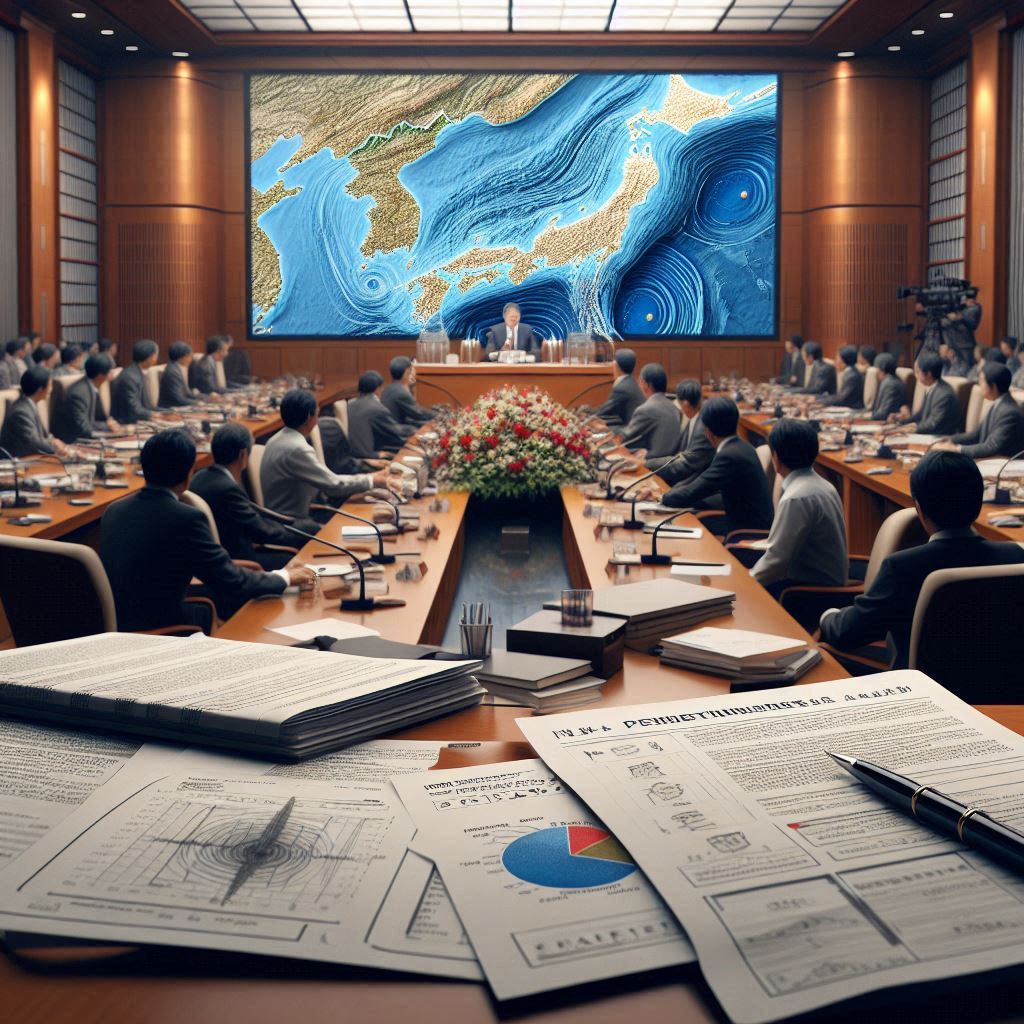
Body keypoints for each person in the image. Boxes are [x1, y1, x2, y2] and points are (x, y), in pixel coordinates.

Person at [820, 451, 1024, 668]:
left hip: (924, 692)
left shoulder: (903, 568)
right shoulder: (1014, 557)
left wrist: (827, 617)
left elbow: (850, 632)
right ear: (979, 503)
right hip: (1005, 695)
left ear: (919, 509)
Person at [100, 429, 315, 633]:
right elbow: (232, 582)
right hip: (159, 627)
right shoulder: (185, 518)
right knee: (252, 607)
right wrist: (284, 577)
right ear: (188, 474)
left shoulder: (113, 510)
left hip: (117, 621)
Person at [750, 419, 847, 597]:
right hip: (829, 582)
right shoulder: (824, 484)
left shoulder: (796, 497)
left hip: (811, 592)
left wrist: (744, 582)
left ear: (776, 457)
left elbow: (776, 562)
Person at [261, 388, 389, 521]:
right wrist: (372, 480)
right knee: (360, 520)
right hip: (292, 524)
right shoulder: (297, 448)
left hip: (283, 516)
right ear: (310, 418)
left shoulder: (275, 439)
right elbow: (333, 486)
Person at [191, 423, 305, 571]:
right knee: (297, 561)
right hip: (236, 563)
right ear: (243, 454)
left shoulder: (200, 476)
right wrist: (298, 535)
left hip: (211, 560)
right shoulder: (227, 488)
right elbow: (260, 532)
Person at [660, 397, 773, 534]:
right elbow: (712, 493)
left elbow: (693, 491)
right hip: (747, 526)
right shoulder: (744, 447)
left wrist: (661, 497)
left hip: (745, 537)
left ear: (707, 431)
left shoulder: (729, 456)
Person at [946, 363, 1024, 458]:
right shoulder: (998, 403)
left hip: (1002, 464)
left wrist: (957, 449)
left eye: (982, 381)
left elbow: (991, 447)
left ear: (994, 386)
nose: (980, 385)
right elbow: (976, 435)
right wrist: (949, 440)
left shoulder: (1010, 413)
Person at [646, 379, 714, 486]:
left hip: (699, 481)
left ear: (686, 404)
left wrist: (647, 464)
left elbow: (685, 464)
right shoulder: (695, 418)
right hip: (687, 474)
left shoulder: (702, 429)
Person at [0, 366, 66, 457]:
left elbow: (43, 435)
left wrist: (54, 441)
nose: (51, 389)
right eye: (50, 385)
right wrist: (59, 448)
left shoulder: (29, 403)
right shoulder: (21, 412)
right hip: (20, 462)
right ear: (40, 389)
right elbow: (35, 443)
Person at [52, 354, 120, 443]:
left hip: (86, 437)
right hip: (74, 442)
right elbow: (83, 427)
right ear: (100, 375)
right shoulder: (79, 393)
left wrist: (108, 424)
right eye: (110, 371)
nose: (112, 374)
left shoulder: (91, 385)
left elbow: (94, 420)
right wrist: (107, 428)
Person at [890, 353, 960, 435]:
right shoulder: (932, 386)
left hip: (940, 437)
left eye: (918, 372)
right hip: (928, 433)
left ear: (928, 374)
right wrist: (900, 422)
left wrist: (910, 429)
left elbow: (933, 424)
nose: (916, 376)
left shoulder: (944, 394)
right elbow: (920, 414)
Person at [347, 370, 413, 458]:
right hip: (370, 457)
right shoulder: (377, 408)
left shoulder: (350, 404)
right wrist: (416, 431)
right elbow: (398, 433)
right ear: (378, 389)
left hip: (351, 456)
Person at [620, 363, 680, 458]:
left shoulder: (646, 409)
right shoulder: (675, 407)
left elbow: (624, 439)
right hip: (672, 462)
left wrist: (607, 432)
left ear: (645, 384)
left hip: (654, 465)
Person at [590, 348, 644, 428]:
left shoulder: (622, 388)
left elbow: (603, 412)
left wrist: (586, 416)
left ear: (616, 366)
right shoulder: (631, 382)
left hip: (631, 432)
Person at [110, 339, 158, 423]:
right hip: (125, 423)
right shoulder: (130, 377)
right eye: (155, 355)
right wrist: (157, 415)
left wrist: (165, 413)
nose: (155, 358)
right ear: (150, 357)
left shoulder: (136, 371)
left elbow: (146, 405)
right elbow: (134, 409)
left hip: (137, 419)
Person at [382, 356, 435, 427]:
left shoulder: (389, 388)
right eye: (413, 369)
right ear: (408, 371)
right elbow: (418, 413)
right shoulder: (401, 392)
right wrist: (438, 415)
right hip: (396, 434)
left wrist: (427, 423)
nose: (414, 372)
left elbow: (407, 418)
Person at [159, 341, 199, 407]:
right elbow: (179, 399)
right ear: (182, 357)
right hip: (170, 409)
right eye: (190, 356)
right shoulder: (172, 372)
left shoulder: (176, 367)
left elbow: (187, 393)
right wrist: (198, 403)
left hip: (178, 406)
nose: (191, 359)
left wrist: (205, 398)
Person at [870, 353, 905, 421]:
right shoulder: (891, 380)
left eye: (877, 368)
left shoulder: (889, 384)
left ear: (881, 369)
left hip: (888, 422)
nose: (876, 372)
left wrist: (866, 417)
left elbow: (884, 413)